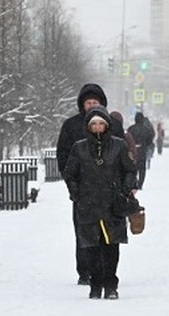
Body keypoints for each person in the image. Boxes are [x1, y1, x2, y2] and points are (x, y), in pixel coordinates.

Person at [62, 106, 138, 300]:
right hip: (88, 205)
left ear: (107, 125)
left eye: (101, 123)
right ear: (88, 126)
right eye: (93, 124)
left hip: (113, 204)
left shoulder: (119, 146)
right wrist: (76, 194)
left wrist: (124, 190)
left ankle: (111, 285)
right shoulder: (79, 148)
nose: (97, 127)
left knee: (111, 246)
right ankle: (95, 285)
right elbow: (70, 173)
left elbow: (130, 170)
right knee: (92, 247)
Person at [56, 83, 108, 286]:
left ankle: (105, 269)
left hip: (107, 190)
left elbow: (122, 154)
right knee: (83, 231)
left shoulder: (111, 124)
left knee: (108, 231)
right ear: (82, 104)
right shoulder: (71, 126)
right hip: (83, 189)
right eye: (88, 102)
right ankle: (85, 271)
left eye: (95, 102)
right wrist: (71, 182)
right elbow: (63, 155)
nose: (91, 105)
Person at [128, 111, 155, 189]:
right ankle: (140, 183)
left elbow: (127, 139)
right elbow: (150, 139)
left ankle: (134, 182)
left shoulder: (131, 128)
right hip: (142, 150)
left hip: (133, 151)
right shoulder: (145, 129)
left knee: (133, 167)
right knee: (142, 168)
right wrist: (145, 145)